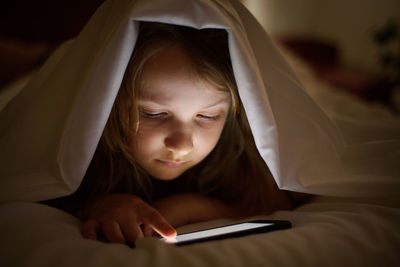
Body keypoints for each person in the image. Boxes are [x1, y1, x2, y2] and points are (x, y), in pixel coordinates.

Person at [43, 22, 294, 245]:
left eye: (208, 116)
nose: (182, 145)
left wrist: (188, 207)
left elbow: (276, 203)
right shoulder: (73, 149)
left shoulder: (236, 151)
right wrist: (97, 206)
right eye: (153, 114)